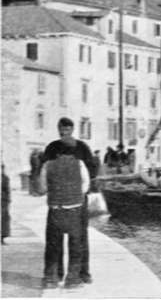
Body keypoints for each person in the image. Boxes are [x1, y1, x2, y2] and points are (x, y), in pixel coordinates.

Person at [41, 117, 94, 285]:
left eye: (67, 129)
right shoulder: (79, 150)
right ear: (59, 129)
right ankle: (75, 275)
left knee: (58, 240)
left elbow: (42, 177)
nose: (64, 132)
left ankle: (64, 275)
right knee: (77, 239)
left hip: (60, 201)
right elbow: (90, 174)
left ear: (72, 129)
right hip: (76, 200)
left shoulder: (54, 149)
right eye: (62, 129)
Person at [39, 153, 89, 289]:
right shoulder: (79, 163)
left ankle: (51, 279)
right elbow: (85, 186)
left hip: (55, 210)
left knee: (52, 246)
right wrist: (75, 198)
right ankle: (72, 280)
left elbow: (42, 188)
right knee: (75, 246)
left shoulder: (47, 165)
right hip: (73, 209)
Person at [2, 164, 11, 245]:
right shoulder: (4, 178)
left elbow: (7, 191)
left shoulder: (5, 178)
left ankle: (2, 238)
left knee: (4, 219)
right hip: (3, 201)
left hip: (3, 201)